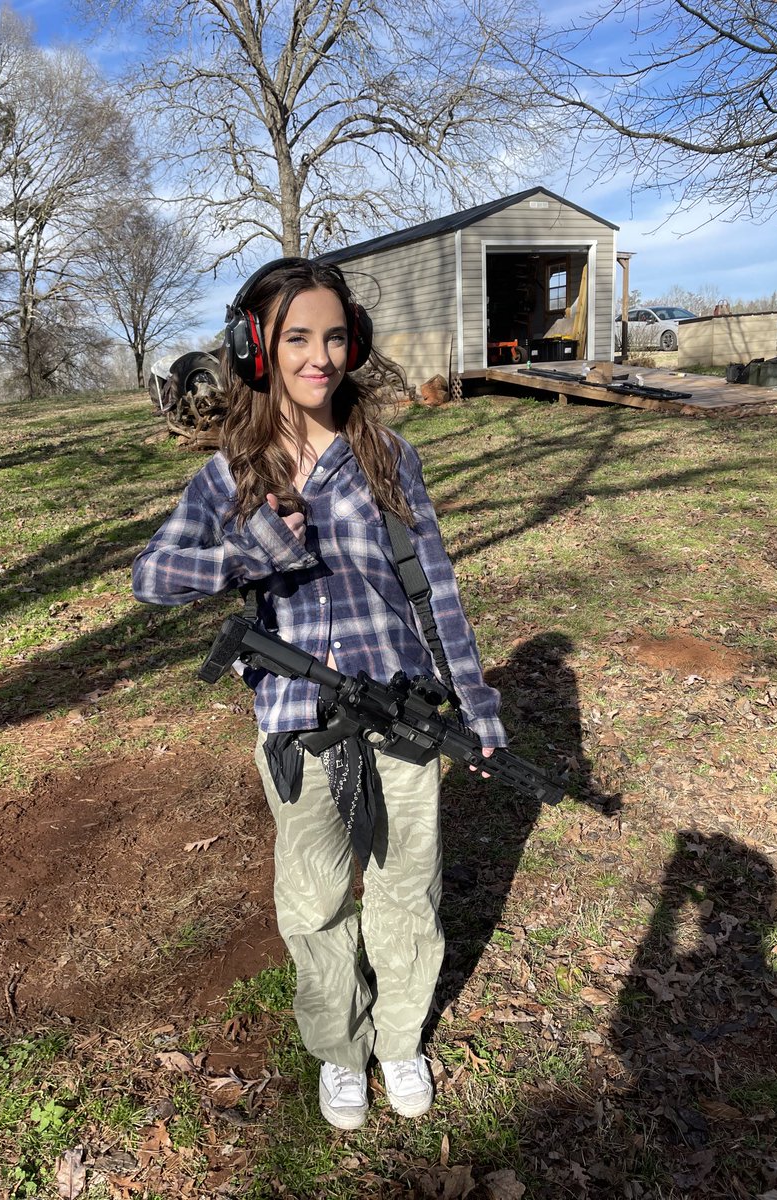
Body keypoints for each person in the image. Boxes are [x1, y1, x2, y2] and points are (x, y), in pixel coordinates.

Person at [132, 257, 506, 1129]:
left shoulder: (388, 457)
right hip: (299, 725)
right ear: (256, 348)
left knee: (408, 889)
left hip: (402, 714)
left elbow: (436, 590)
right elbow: (150, 577)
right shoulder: (231, 476)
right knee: (314, 898)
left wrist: (477, 704)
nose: (320, 356)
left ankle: (401, 1041)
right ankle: (342, 1050)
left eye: (335, 336)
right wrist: (245, 554)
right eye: (298, 337)